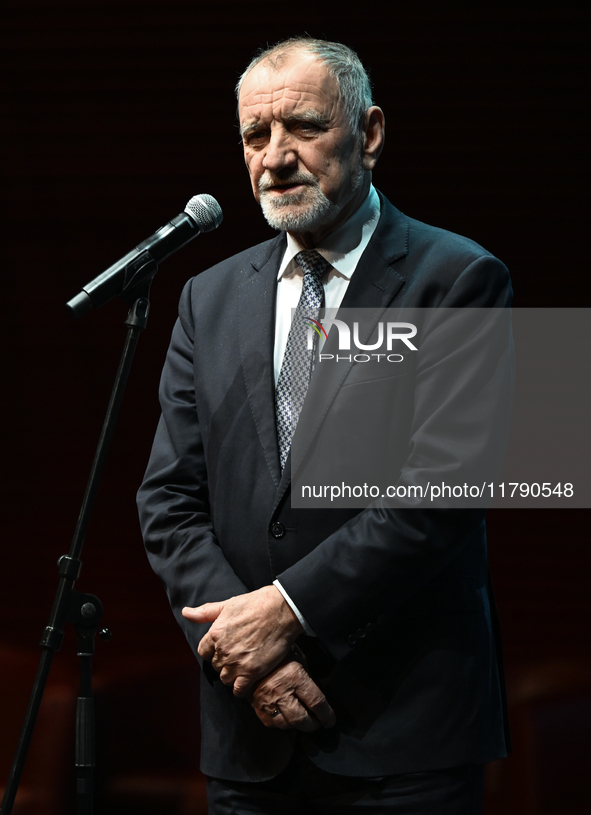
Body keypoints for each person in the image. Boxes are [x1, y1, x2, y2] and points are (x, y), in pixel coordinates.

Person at [137, 37, 512, 814]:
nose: (275, 157)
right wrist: (250, 658)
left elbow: (442, 492)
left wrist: (284, 612)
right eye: (254, 136)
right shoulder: (207, 297)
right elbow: (168, 501)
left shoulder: (463, 276)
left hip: (403, 730)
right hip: (250, 733)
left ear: (368, 134)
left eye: (301, 127)